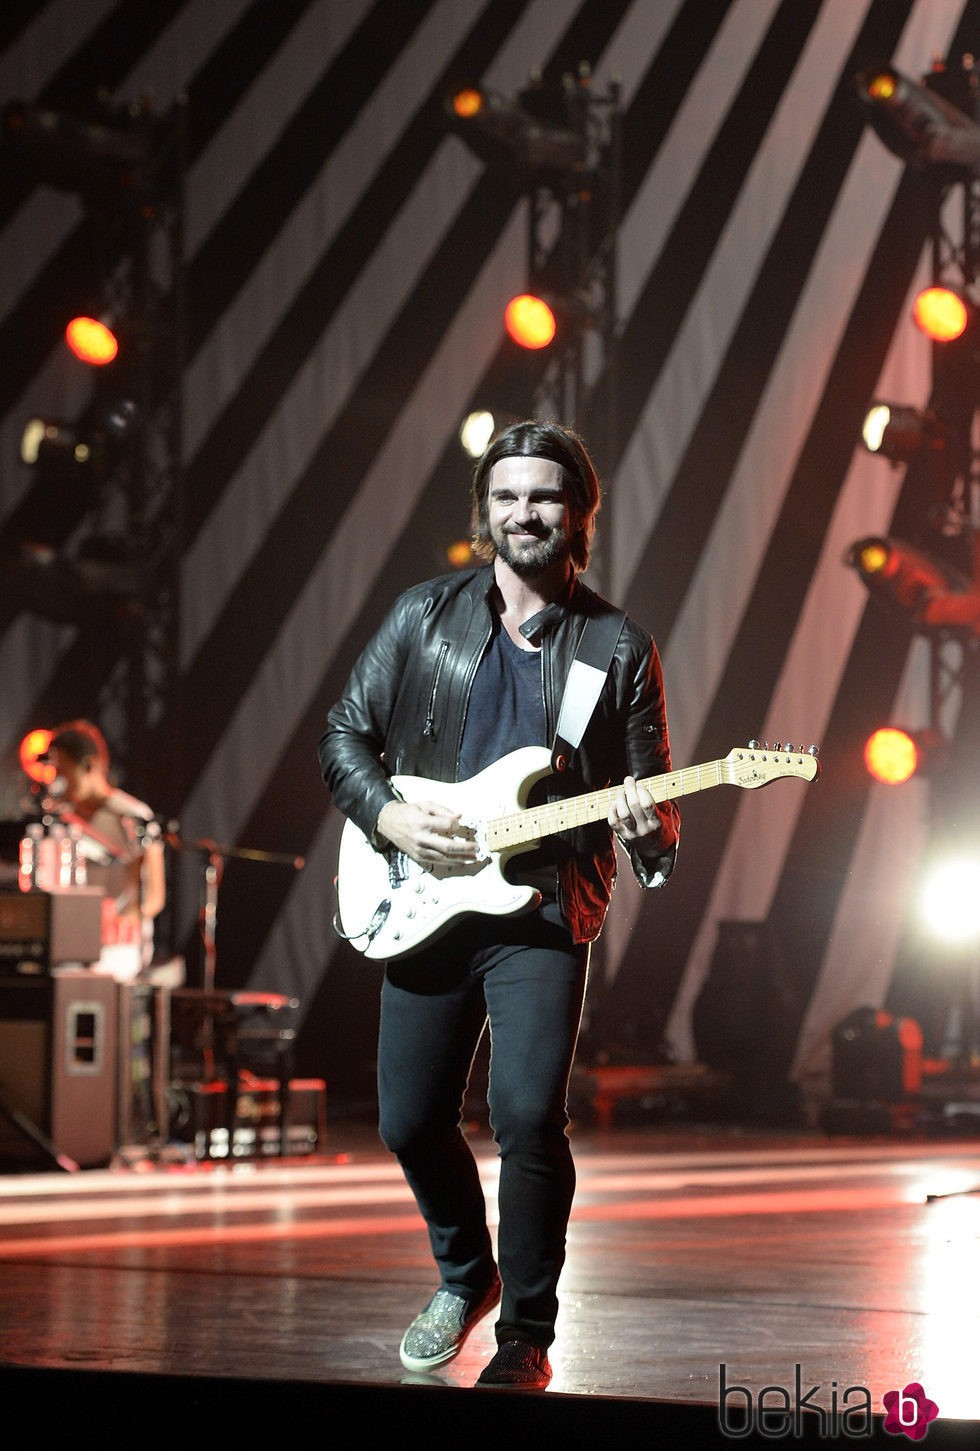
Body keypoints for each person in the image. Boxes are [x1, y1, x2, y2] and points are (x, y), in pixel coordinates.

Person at [318, 420, 680, 1389]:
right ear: (484, 510)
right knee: (405, 1121)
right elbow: (345, 734)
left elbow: (655, 815)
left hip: (541, 910)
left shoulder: (616, 645)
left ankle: (525, 1329)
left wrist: (645, 825)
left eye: (546, 496)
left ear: (579, 514)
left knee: (525, 1113)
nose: (525, 512)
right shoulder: (422, 615)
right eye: (508, 495)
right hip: (427, 892)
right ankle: (464, 1272)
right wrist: (392, 817)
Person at [43, 719, 166, 969]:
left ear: (90, 765)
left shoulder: (132, 815)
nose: (58, 780)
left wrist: (130, 917)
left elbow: (155, 895)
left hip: (117, 946)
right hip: (68, 939)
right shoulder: (56, 817)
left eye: (64, 771)